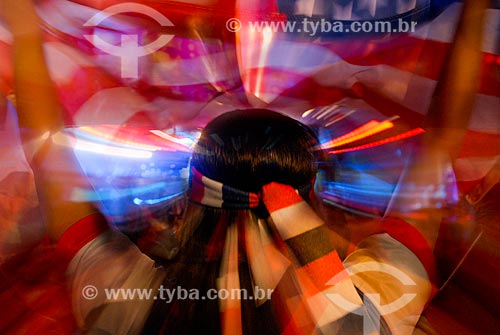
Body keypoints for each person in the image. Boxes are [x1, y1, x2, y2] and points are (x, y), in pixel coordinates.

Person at [1, 0, 435, 334]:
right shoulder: (375, 308)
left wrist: (25, 28)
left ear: (190, 194)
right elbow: (442, 146)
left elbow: (48, 154)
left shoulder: (119, 296)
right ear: (311, 196)